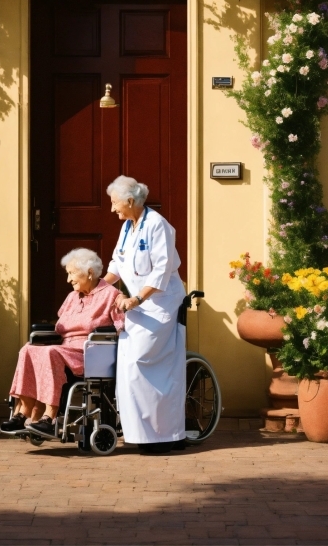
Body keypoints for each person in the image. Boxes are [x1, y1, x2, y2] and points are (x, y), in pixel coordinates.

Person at [2, 248, 123, 439]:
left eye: (71, 273)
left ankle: (48, 417)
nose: (68, 280)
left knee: (51, 353)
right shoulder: (72, 297)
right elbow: (59, 327)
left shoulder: (111, 295)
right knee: (28, 349)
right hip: (65, 347)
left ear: (89, 272)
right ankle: (23, 412)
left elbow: (121, 328)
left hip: (88, 352)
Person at [104, 175, 186, 454]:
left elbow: (162, 269)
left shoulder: (157, 225)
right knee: (126, 363)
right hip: (136, 304)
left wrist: (137, 298)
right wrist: (100, 289)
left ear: (130, 200)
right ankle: (140, 434)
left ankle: (164, 435)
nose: (112, 208)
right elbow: (118, 261)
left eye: (115, 203)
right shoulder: (128, 225)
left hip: (160, 302)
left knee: (142, 359)